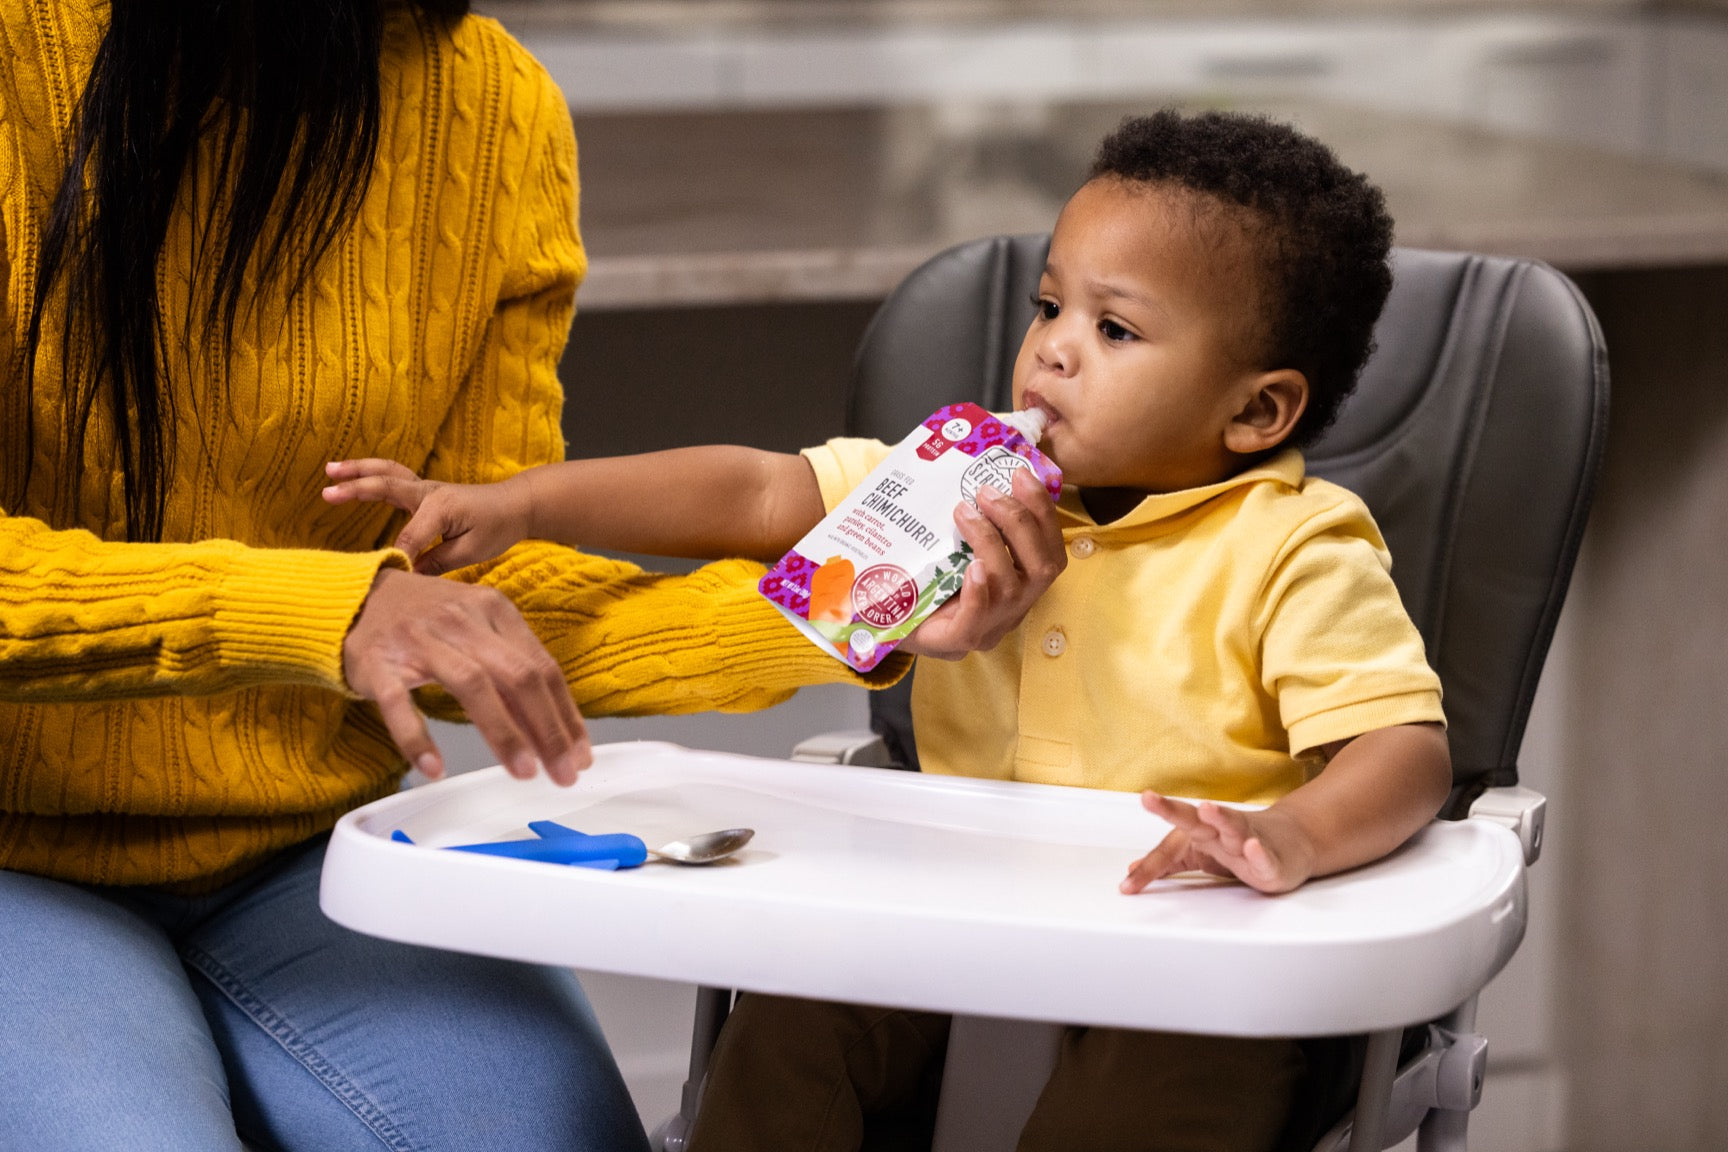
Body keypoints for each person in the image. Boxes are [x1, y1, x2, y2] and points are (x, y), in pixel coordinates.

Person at [0, 3, 1064, 1150]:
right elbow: (395, 612)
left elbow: (481, 598)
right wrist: (336, 609)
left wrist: (840, 613)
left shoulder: (490, 105)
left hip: (307, 852)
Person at [322, 110, 1452, 1152]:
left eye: (1114, 328)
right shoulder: (956, 477)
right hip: (949, 910)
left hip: (1183, 937)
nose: (1054, 349)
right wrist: (521, 503)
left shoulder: (1293, 547)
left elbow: (1404, 752)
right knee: (788, 1035)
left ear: (1256, 410)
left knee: (1142, 1107)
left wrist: (1289, 840)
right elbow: (760, 497)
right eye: (1049, 308)